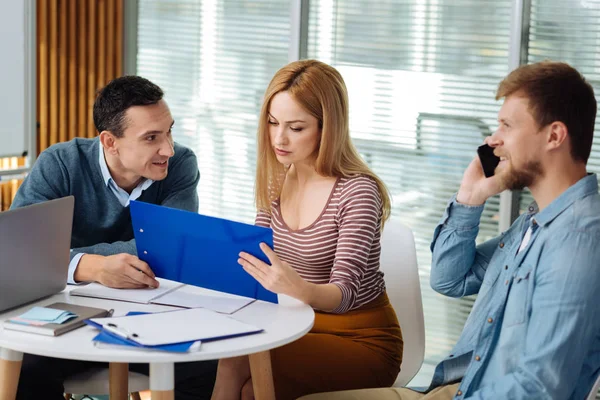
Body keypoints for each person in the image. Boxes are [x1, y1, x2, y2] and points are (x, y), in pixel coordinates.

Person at [299, 61, 600, 399]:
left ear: (554, 136)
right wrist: (470, 199)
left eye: (507, 125)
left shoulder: (577, 242)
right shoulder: (534, 224)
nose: (493, 140)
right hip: (457, 388)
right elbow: (449, 279)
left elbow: (539, 388)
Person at [11, 76, 217, 400]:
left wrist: (66, 256)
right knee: (27, 367)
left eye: (169, 131)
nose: (169, 148)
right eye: (152, 138)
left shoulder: (180, 166)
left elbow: (173, 246)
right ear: (110, 141)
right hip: (71, 313)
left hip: (149, 315)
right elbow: (18, 251)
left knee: (204, 363)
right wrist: (90, 267)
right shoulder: (61, 164)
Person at [209, 59, 403, 400]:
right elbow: (260, 259)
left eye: (296, 128)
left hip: (361, 338)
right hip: (297, 324)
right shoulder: (278, 176)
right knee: (247, 378)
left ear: (327, 127)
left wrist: (297, 288)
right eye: (272, 123)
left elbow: (344, 295)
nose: (279, 138)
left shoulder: (357, 191)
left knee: (239, 360)